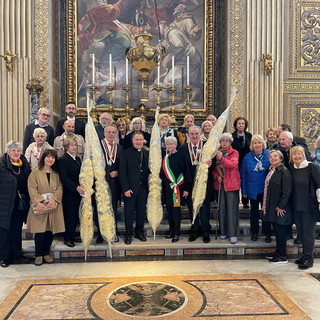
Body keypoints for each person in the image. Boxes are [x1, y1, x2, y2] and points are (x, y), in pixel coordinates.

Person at [27, 149, 64, 266]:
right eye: (48, 157)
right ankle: (38, 254)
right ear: (43, 158)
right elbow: (32, 188)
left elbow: (59, 188)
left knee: (49, 231)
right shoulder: (35, 172)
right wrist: (39, 202)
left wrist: (54, 199)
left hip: (53, 206)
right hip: (40, 206)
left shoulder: (56, 173)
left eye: (53, 157)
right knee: (40, 231)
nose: (50, 159)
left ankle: (46, 253)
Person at [0, 141, 31, 268]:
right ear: (8, 152)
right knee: (5, 231)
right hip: (5, 204)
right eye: (13, 150)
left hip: (20, 203)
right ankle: (5, 257)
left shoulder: (25, 165)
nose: (16, 153)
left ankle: (17, 255)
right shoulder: (2, 166)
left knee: (16, 230)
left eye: (18, 150)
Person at [180, 126, 213, 243]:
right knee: (192, 208)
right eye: (192, 134)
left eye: (196, 134)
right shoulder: (183, 148)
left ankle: (205, 232)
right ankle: (194, 231)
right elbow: (182, 168)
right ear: (188, 135)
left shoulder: (207, 147)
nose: (194, 136)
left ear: (201, 134)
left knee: (204, 208)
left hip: (204, 183)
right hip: (190, 184)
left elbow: (214, 166)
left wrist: (211, 163)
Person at [289, 146, 320, 270]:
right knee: (301, 233)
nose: (297, 156)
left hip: (309, 206)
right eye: (294, 154)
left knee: (308, 233)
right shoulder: (292, 169)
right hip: (296, 205)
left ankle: (309, 258)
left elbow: (319, 184)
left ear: (303, 154)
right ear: (291, 157)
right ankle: (304, 255)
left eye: (299, 154)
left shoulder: (311, 167)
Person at [119, 132, 150, 245]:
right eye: (136, 140)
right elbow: (122, 172)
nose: (138, 142)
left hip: (143, 188)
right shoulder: (126, 153)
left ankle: (139, 232)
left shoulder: (146, 153)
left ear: (143, 141)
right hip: (130, 189)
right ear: (132, 141)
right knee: (129, 212)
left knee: (141, 212)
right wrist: (126, 188)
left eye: (140, 140)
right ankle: (128, 234)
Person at [262, 150, 292, 264]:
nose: (273, 158)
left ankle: (283, 256)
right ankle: (278, 252)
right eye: (271, 156)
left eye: (275, 156)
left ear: (281, 158)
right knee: (277, 230)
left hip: (280, 207)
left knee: (280, 231)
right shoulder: (272, 170)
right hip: (272, 205)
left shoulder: (284, 171)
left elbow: (287, 190)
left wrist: (281, 205)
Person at [240, 134, 272, 242]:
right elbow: (243, 174)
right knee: (253, 213)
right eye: (255, 143)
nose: (257, 145)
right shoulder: (247, 157)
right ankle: (254, 232)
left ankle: (267, 233)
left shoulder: (269, 155)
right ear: (251, 145)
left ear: (263, 144)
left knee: (265, 212)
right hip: (252, 189)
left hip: (266, 190)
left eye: (259, 142)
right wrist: (244, 191)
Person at [161, 136, 191, 242]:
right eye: (167, 144)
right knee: (169, 210)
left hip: (178, 189)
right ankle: (171, 231)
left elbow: (186, 172)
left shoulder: (182, 156)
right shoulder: (166, 158)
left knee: (176, 211)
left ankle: (177, 233)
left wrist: (186, 189)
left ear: (175, 145)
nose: (169, 145)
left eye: (171, 144)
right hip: (168, 189)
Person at [57, 138, 85, 248]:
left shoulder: (77, 158)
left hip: (78, 192)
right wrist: (76, 187)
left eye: (75, 145)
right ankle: (67, 237)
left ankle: (73, 234)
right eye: (72, 145)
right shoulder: (63, 160)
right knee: (70, 216)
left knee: (75, 216)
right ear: (66, 147)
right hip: (70, 192)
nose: (74, 147)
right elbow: (64, 178)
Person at [214, 133, 240, 244]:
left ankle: (233, 234)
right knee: (222, 209)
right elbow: (213, 169)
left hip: (231, 184)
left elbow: (232, 164)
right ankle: (223, 232)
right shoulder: (216, 152)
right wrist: (216, 176)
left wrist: (222, 159)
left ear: (230, 142)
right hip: (221, 183)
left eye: (227, 140)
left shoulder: (234, 152)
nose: (224, 142)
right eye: (222, 140)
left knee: (231, 210)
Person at [100, 124, 123, 243]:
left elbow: (122, 165)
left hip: (114, 183)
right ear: (104, 133)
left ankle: (113, 232)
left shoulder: (119, 148)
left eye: (113, 132)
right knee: (101, 208)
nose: (111, 134)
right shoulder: (98, 146)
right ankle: (101, 234)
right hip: (101, 182)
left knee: (113, 208)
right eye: (109, 132)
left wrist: (118, 172)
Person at [231, 117, 252, 209]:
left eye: (242, 123)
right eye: (239, 123)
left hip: (246, 161)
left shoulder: (249, 135)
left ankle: (245, 201)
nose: (241, 125)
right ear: (236, 125)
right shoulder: (232, 136)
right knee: (235, 180)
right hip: (235, 162)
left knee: (245, 181)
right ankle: (234, 200)